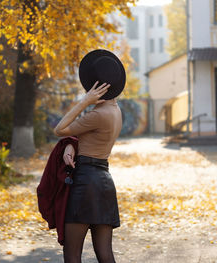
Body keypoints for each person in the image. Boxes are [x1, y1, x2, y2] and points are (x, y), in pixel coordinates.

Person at [54, 49, 126, 263]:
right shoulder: (116, 112)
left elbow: (60, 129)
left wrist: (84, 101)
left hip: (85, 183)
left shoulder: (97, 114)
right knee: (105, 253)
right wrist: (73, 146)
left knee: (72, 254)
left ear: (93, 87)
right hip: (104, 181)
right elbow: (88, 138)